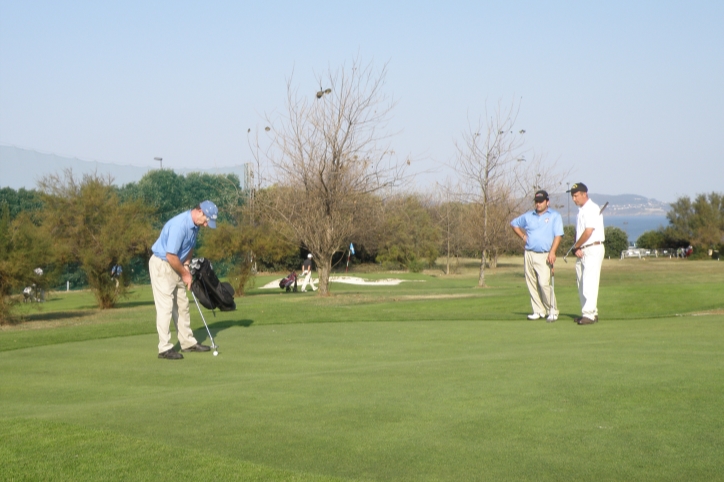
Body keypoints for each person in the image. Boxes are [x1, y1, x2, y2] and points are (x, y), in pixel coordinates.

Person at [150, 201, 218, 359]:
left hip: (177, 265)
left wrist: (186, 265)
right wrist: (186, 274)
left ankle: (187, 342)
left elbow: (190, 247)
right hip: (163, 265)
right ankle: (164, 348)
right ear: (200, 211)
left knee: (182, 305)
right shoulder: (180, 225)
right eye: (207, 220)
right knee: (166, 307)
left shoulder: (195, 226)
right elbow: (170, 255)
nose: (207, 225)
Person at [510, 190, 564, 322]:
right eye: (536, 202)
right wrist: (523, 236)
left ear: (547, 202)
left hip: (545, 254)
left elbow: (558, 235)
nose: (538, 204)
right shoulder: (529, 216)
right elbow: (514, 224)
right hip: (529, 253)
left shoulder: (554, 216)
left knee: (544, 283)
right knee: (531, 283)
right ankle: (538, 310)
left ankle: (552, 310)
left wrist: (553, 252)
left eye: (541, 201)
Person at [567, 183, 605, 325]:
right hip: (582, 250)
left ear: (584, 194)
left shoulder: (591, 208)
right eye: (573, 196)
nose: (574, 199)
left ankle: (589, 314)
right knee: (582, 282)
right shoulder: (581, 210)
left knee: (589, 281)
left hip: (592, 248)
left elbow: (588, 231)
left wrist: (575, 246)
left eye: (576, 196)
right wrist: (577, 248)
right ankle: (588, 312)